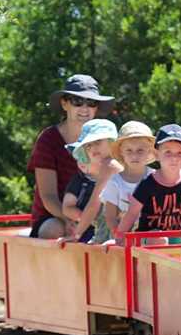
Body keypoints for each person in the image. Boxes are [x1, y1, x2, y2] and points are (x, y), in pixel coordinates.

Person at [27, 74, 114, 238]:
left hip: (97, 216)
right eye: (77, 101)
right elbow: (48, 196)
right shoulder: (48, 140)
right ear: (64, 103)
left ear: (96, 108)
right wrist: (68, 219)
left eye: (91, 103)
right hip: (56, 216)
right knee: (53, 230)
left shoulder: (106, 139)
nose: (84, 108)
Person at [115, 124, 181, 244]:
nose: (174, 158)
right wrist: (119, 239)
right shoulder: (147, 183)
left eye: (180, 153)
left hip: (177, 236)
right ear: (157, 154)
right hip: (148, 237)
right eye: (168, 152)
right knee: (159, 239)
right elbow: (131, 214)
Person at [61, 119, 122, 243]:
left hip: (121, 232)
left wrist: (76, 235)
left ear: (112, 143)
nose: (93, 147)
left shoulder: (110, 165)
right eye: (88, 145)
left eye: (98, 141)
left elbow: (94, 203)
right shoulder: (111, 165)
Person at [100, 121, 156, 238]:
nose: (134, 155)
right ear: (121, 152)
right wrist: (120, 237)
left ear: (149, 151)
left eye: (140, 150)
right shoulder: (115, 182)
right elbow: (110, 217)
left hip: (151, 237)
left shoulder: (156, 178)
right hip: (122, 238)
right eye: (129, 150)